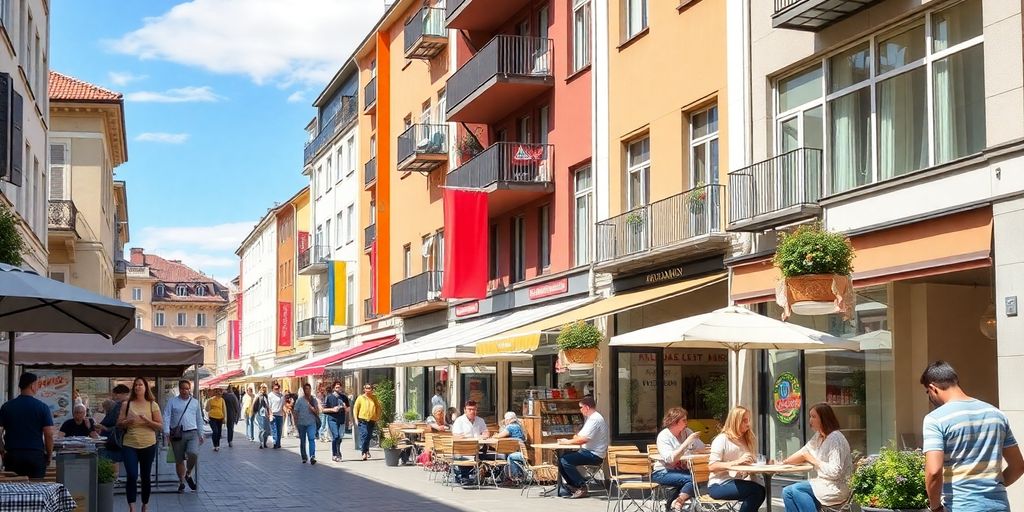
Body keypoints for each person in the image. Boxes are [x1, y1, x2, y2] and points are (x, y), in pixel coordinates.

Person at [921, 360, 1024, 512]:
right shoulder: (996, 414)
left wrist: (935, 507)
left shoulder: (935, 419)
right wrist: (993, 488)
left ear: (932, 388)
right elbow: (1018, 466)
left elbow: (934, 471)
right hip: (999, 506)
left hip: (962, 506)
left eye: (927, 392)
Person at [779, 403, 853, 512]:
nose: (810, 420)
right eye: (810, 416)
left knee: (797, 489)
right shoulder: (819, 436)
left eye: (814, 417)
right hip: (822, 483)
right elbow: (804, 452)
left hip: (836, 487)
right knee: (787, 492)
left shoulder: (835, 439)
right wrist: (784, 462)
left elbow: (835, 472)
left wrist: (812, 460)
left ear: (824, 418)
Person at [708, 406, 765, 512]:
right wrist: (736, 462)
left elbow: (745, 465)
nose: (748, 424)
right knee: (756, 491)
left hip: (738, 481)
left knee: (760, 489)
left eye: (748, 420)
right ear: (735, 421)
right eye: (744, 421)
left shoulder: (746, 439)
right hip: (719, 484)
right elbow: (712, 466)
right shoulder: (722, 439)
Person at [118, 377, 161, 512]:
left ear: (145, 387)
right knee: (131, 475)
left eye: (140, 385)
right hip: (130, 444)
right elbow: (119, 423)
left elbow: (160, 426)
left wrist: (147, 421)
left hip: (148, 444)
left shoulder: (152, 404)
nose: (137, 387)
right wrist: (127, 422)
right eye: (136, 385)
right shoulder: (127, 404)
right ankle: (132, 506)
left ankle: (145, 504)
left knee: (145, 476)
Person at [0, 372, 54, 478]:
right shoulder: (42, 407)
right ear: (32, 385)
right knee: (37, 490)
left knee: (14, 490)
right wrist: (49, 455)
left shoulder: (6, 407)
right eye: (37, 384)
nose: (38, 386)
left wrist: (2, 450)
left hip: (13, 455)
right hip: (35, 455)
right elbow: (49, 434)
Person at [653, 407, 706, 512]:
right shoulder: (664, 436)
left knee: (700, 476)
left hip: (681, 470)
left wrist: (693, 442)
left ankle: (675, 503)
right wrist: (687, 443)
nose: (687, 422)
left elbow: (702, 448)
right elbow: (671, 459)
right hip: (663, 471)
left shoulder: (687, 432)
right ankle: (679, 502)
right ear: (674, 421)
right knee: (693, 480)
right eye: (684, 420)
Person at [557, 396, 609, 499]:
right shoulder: (591, 418)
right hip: (588, 451)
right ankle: (573, 486)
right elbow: (578, 436)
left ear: (586, 407)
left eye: (581, 407)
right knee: (562, 459)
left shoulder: (595, 419)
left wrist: (567, 442)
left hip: (594, 454)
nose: (580, 410)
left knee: (565, 460)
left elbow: (583, 439)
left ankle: (581, 486)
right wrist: (576, 439)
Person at [163, 380, 204, 493]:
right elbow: (166, 416)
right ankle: (181, 482)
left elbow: (199, 418)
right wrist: (166, 432)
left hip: (192, 432)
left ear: (189, 389)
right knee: (179, 460)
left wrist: (201, 433)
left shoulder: (195, 402)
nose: (185, 391)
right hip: (177, 434)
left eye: (187, 388)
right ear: (179, 389)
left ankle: (188, 473)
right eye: (183, 388)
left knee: (193, 453)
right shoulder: (172, 402)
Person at [451, 400, 490, 484]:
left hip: (479, 448)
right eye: (470, 409)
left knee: (498, 456)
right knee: (466, 455)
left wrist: (484, 434)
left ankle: (484, 474)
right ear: (465, 410)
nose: (472, 411)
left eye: (474, 409)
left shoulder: (480, 420)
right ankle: (465, 476)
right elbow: (457, 436)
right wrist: (472, 438)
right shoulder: (459, 421)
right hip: (464, 449)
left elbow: (486, 433)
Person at [98, 384, 131, 476]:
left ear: (123, 394)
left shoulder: (119, 405)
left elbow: (111, 421)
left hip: (116, 438)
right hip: (127, 437)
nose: (115, 397)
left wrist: (105, 427)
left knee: (109, 457)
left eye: (116, 395)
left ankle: (112, 477)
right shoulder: (133, 404)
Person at [493, 411, 528, 481]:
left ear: (508, 420)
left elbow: (499, 436)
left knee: (507, 456)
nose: (505, 421)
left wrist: (495, 435)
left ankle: (514, 477)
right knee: (505, 455)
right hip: (520, 451)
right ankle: (505, 476)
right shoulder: (519, 426)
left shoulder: (511, 427)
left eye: (505, 419)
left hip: (518, 453)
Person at [352, 383, 381, 461]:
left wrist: (377, 417)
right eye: (366, 388)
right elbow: (355, 409)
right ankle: (364, 452)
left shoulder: (374, 398)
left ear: (372, 389)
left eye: (369, 388)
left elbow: (378, 408)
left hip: (372, 420)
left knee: (368, 436)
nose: (368, 390)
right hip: (362, 420)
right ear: (364, 389)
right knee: (364, 435)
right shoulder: (360, 398)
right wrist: (355, 419)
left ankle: (366, 450)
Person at [323, 381, 351, 462]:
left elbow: (348, 409)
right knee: (336, 436)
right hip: (332, 419)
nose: (338, 389)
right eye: (336, 387)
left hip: (341, 419)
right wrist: (333, 409)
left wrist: (345, 407)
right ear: (333, 388)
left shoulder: (344, 397)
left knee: (340, 437)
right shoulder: (329, 397)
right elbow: (323, 410)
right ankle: (336, 453)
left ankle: (336, 452)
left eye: (339, 387)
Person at [295, 383, 321, 464]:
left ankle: (312, 456)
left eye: (309, 389)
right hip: (301, 423)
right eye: (306, 389)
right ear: (303, 390)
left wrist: (312, 408)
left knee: (311, 439)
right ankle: (304, 457)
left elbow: (317, 412)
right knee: (303, 441)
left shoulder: (314, 400)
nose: (308, 390)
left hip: (311, 423)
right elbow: (295, 412)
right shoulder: (299, 400)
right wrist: (295, 424)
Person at [205, 388, 226, 452]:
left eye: (220, 394)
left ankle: (217, 445)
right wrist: (208, 403)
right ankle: (215, 445)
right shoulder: (210, 400)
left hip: (220, 418)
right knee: (215, 431)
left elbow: (224, 409)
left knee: (219, 433)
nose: (219, 395)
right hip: (212, 418)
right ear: (215, 393)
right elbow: (207, 409)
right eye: (218, 393)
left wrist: (225, 418)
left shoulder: (222, 400)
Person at [253, 384, 272, 449]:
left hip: (266, 415)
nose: (264, 389)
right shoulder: (258, 396)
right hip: (260, 414)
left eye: (265, 388)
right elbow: (254, 405)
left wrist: (269, 413)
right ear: (260, 388)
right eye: (262, 388)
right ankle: (261, 443)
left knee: (266, 429)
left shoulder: (266, 396)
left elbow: (268, 406)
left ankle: (265, 443)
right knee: (262, 429)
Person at [268, 382, 285, 449]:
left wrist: (285, 411)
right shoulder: (270, 395)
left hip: (280, 414)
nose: (277, 389)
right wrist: (270, 414)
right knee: (274, 430)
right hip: (274, 414)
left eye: (278, 388)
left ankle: (278, 443)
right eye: (275, 388)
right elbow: (269, 406)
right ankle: (275, 443)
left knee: (279, 430)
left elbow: (283, 405)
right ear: (272, 388)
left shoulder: (281, 396)